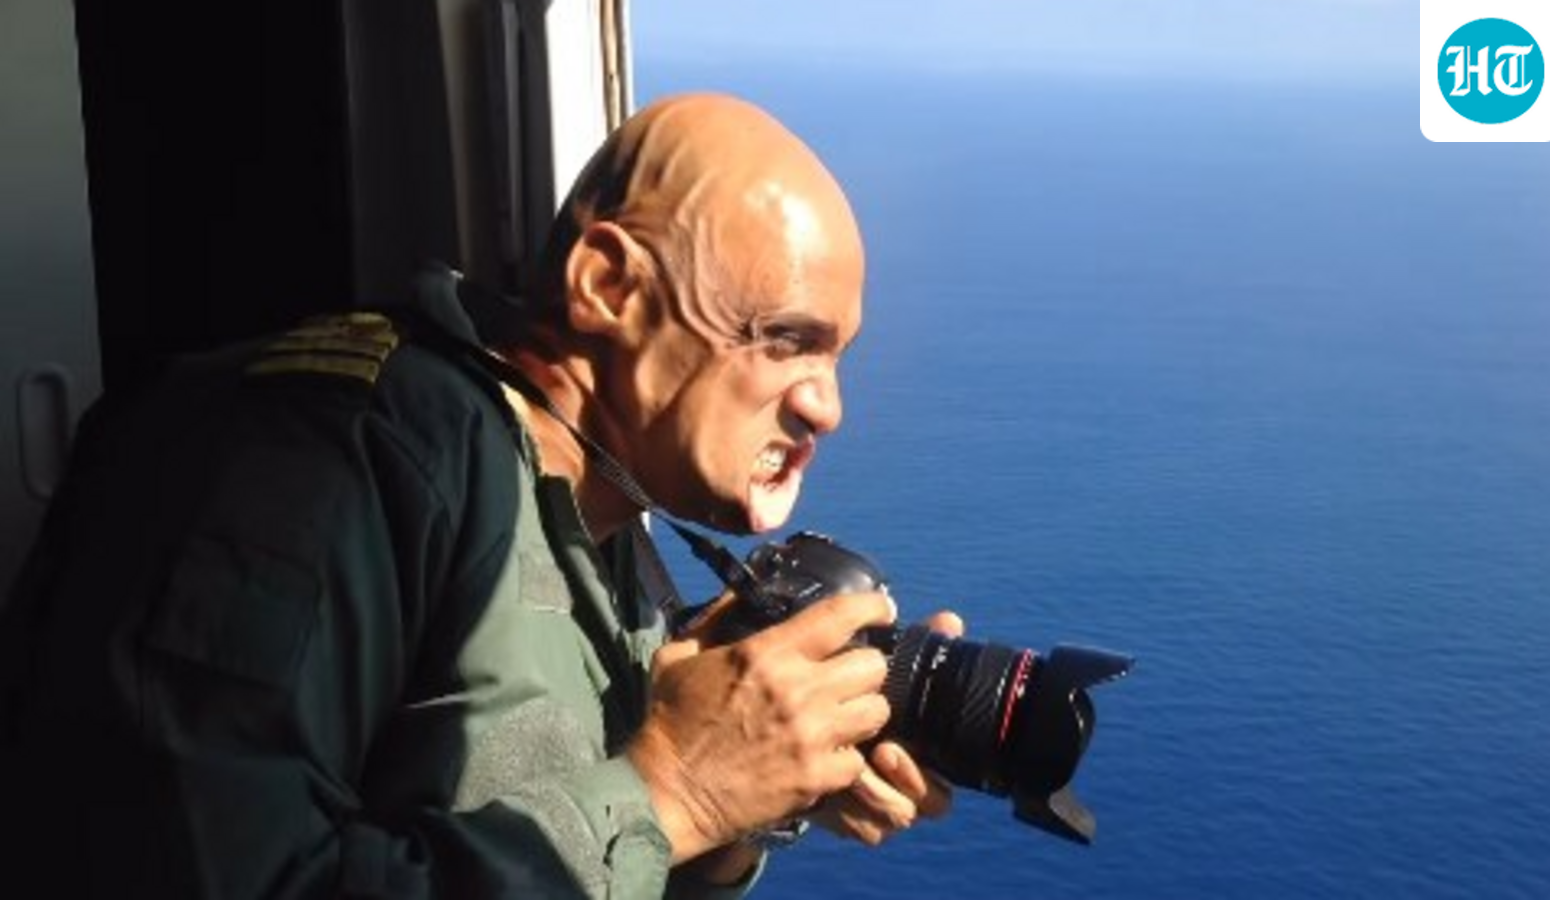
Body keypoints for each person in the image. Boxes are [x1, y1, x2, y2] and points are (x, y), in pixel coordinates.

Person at [0, 93, 959, 898]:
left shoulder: (605, 512)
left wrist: (748, 801)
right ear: (609, 287)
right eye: (785, 340)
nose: (827, 407)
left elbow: (601, 845)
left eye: (839, 354)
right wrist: (680, 786)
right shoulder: (329, 467)